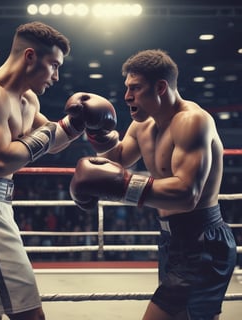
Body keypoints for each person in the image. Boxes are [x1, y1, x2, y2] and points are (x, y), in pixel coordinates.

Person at [0, 21, 117, 320]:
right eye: (54, 65)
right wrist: (54, 130)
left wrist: (76, 124)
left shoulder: (28, 99)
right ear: (30, 56)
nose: (56, 77)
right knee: (30, 314)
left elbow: (53, 141)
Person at [70, 49, 237, 320]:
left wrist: (122, 186)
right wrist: (97, 132)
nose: (127, 97)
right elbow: (119, 159)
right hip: (172, 240)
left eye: (135, 88)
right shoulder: (142, 126)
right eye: (127, 88)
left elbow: (186, 194)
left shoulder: (192, 121)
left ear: (160, 87)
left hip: (202, 241)